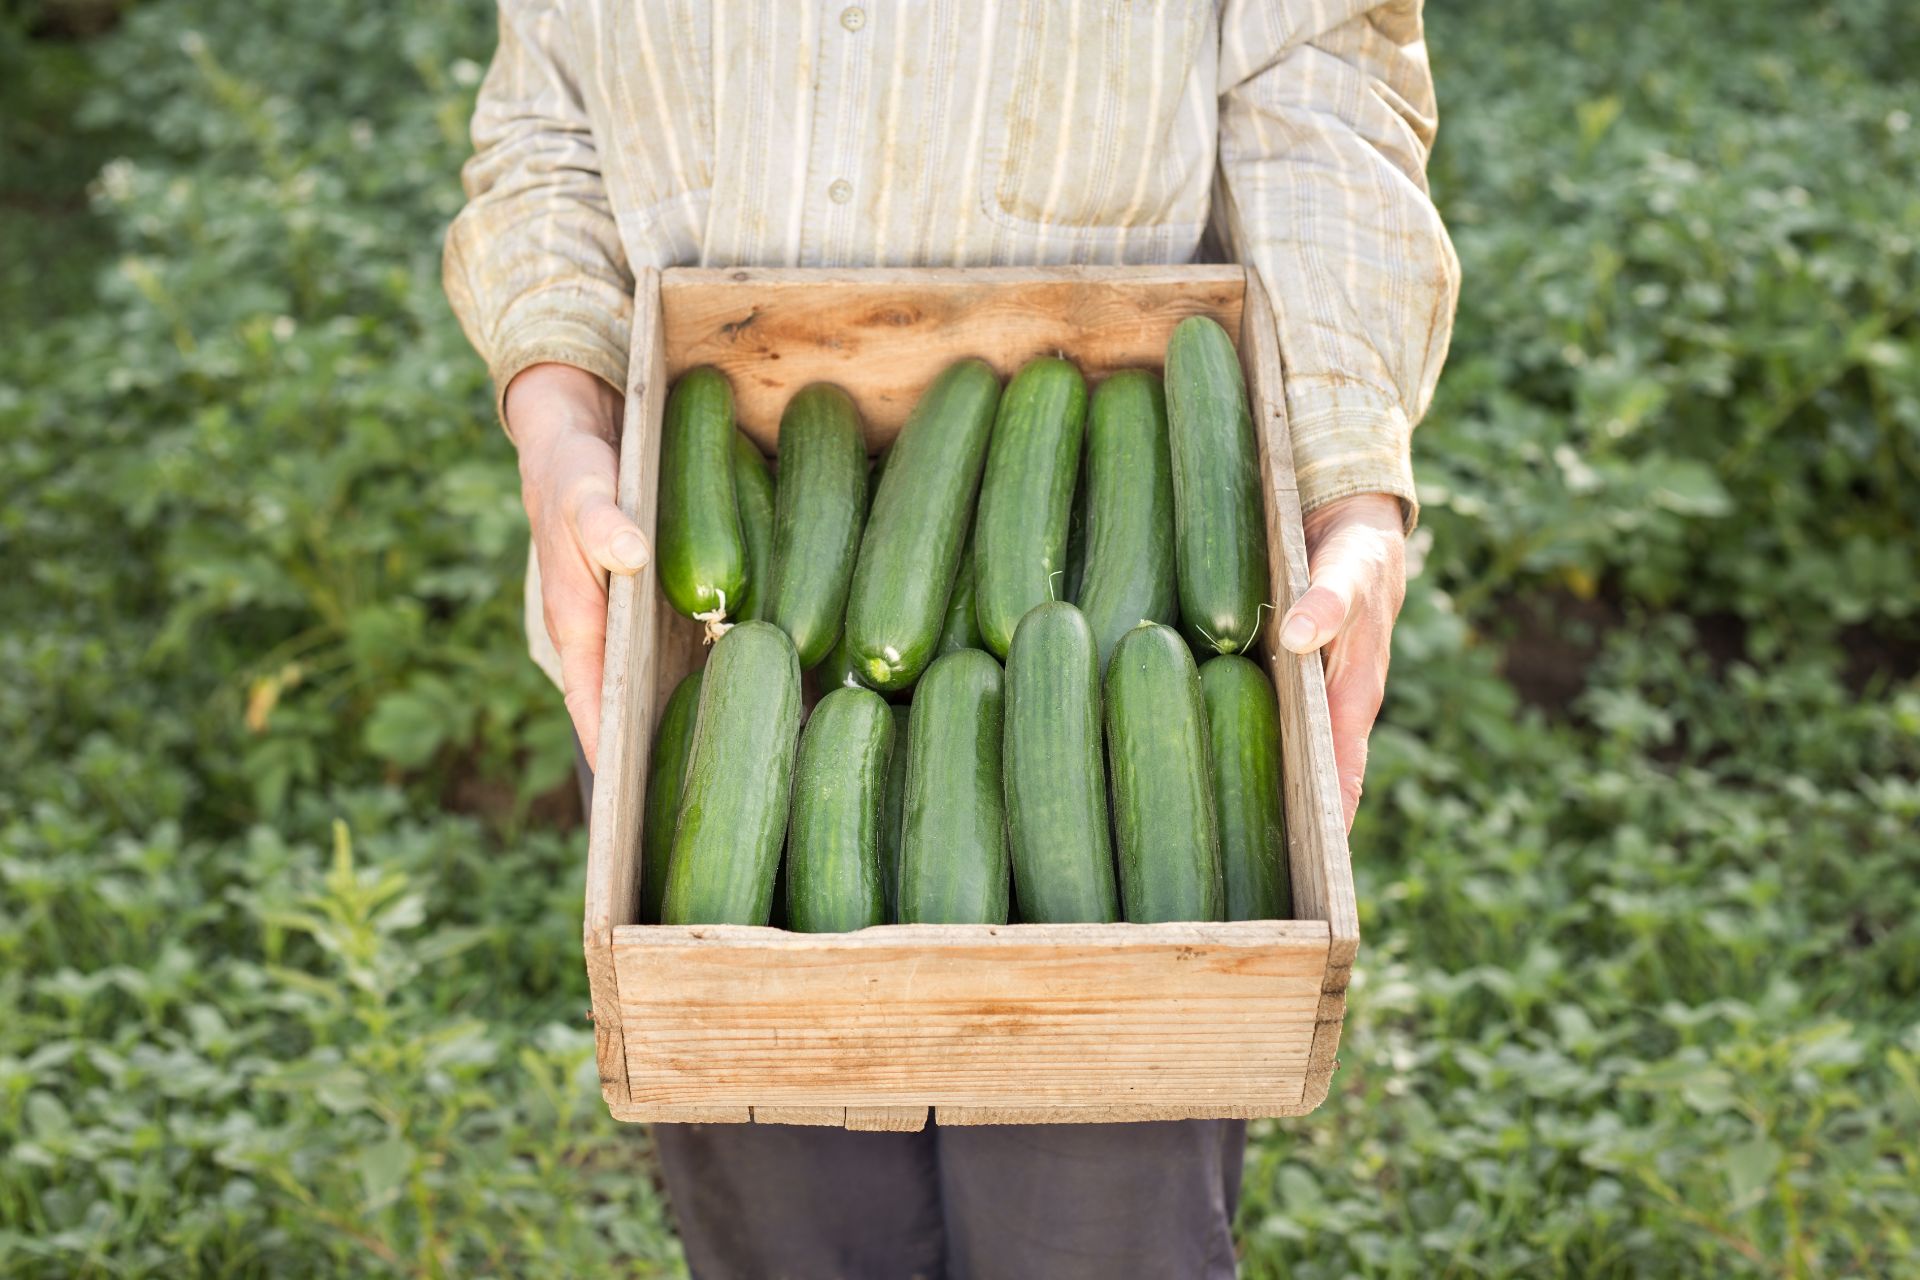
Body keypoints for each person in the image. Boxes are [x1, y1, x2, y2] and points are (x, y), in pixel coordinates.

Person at [445, 3, 1457, 1276]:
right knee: (788, 1235)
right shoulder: (760, 629)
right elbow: (546, 114)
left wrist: (1350, 477)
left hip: (1036, 551)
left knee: (1093, 1239)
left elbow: (1327, 67)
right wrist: (558, 407)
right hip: (678, 624)